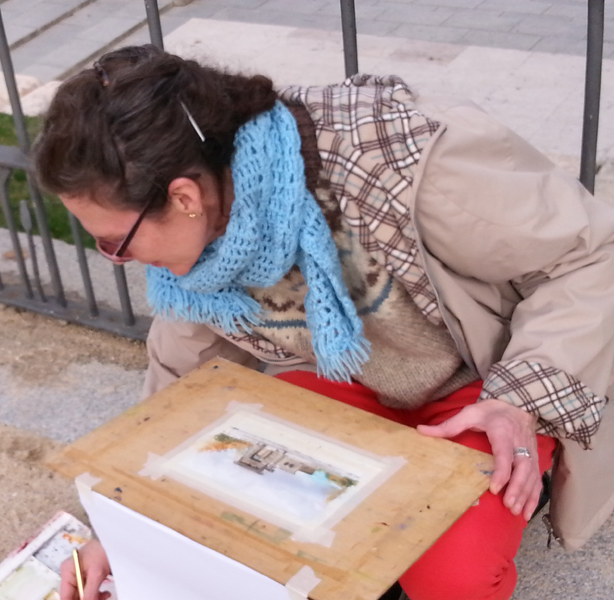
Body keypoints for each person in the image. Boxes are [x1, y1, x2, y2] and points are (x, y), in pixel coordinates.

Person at [33, 45, 614, 600]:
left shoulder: (399, 158)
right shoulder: (203, 228)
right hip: (347, 380)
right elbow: (181, 377)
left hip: (482, 385)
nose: (122, 261)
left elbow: (593, 256)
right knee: (227, 510)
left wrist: (521, 398)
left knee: (454, 578)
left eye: (116, 243)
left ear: (184, 196)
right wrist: (124, 524)